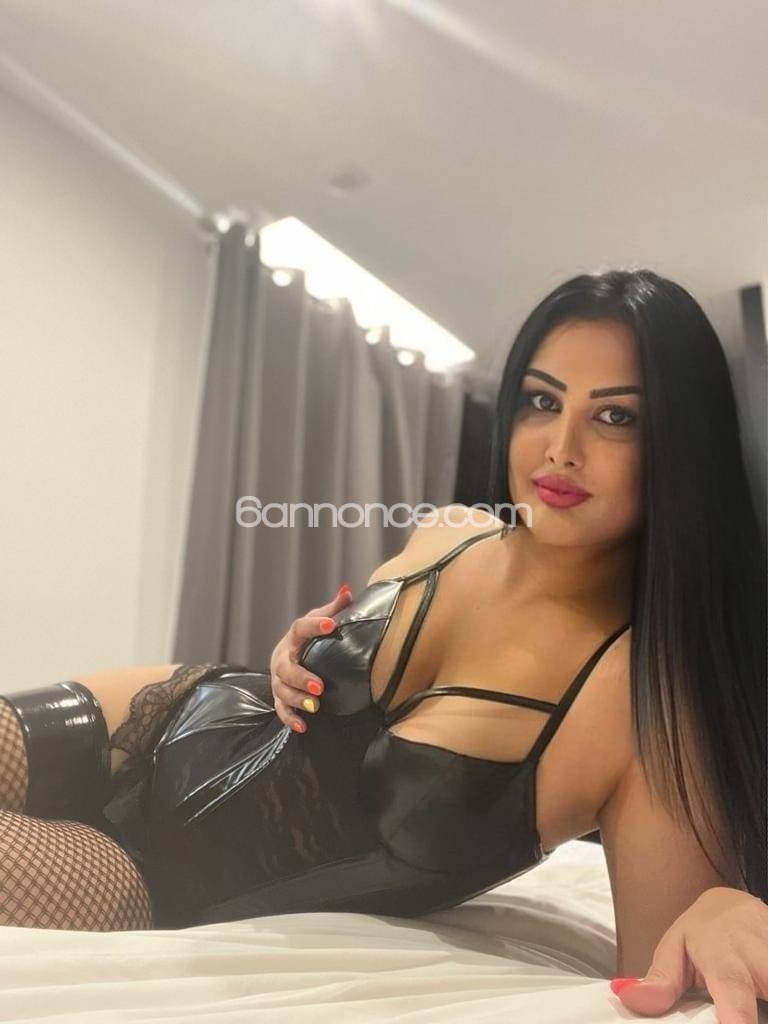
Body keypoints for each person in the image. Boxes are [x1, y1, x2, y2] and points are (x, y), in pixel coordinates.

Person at [1, 270, 765, 1011]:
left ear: (681, 445)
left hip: (164, 880)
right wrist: (294, 652)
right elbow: (319, 686)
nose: (560, 447)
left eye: (615, 417)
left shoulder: (648, 707)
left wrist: (723, 908)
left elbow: (662, 979)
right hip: (156, 713)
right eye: (541, 401)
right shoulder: (452, 532)